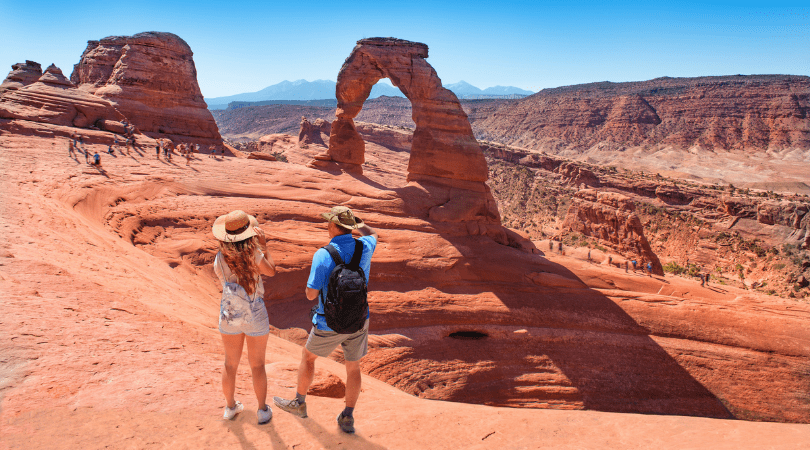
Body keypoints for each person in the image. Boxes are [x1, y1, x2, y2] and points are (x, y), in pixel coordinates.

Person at [274, 206, 378, 434]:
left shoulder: (324, 253)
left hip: (328, 322)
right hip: (359, 319)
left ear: (332, 226)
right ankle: (347, 417)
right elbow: (373, 233)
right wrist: (358, 224)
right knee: (353, 367)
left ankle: (299, 403)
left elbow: (311, 294)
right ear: (351, 227)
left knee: (308, 357)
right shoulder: (365, 246)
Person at [212, 210, 277, 424]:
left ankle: (230, 407)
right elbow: (271, 272)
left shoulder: (220, 258)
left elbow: (223, 280)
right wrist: (264, 246)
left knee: (230, 364)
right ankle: (262, 410)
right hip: (255, 310)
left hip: (229, 312)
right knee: (257, 365)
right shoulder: (254, 255)